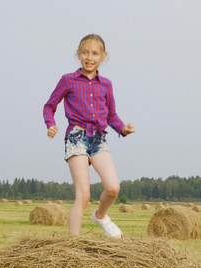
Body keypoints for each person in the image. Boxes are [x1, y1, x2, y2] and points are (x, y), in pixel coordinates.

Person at [43, 34, 135, 238]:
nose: (89, 57)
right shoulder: (68, 80)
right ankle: (72, 244)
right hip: (76, 137)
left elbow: (111, 115)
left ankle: (100, 216)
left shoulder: (106, 85)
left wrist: (122, 129)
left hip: (99, 139)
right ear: (78, 54)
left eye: (95, 53)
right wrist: (51, 124)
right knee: (83, 195)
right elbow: (49, 106)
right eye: (85, 52)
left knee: (113, 188)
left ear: (103, 56)